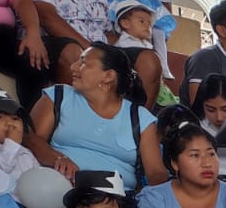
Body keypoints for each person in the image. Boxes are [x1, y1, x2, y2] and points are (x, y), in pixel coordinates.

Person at [26, 42, 165, 191]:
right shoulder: (59, 96)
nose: (73, 67)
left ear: (108, 76)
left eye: (83, 63)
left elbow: (156, 172)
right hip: (58, 188)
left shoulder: (140, 118)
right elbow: (31, 139)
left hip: (116, 199)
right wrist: (58, 158)